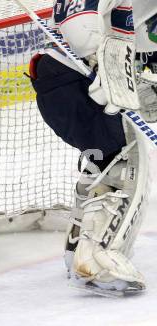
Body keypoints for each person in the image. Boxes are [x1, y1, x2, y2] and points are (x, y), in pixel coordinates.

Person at [28, 0, 157, 295]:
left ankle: (76, 250)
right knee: (123, 163)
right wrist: (102, 64)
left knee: (106, 160)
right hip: (74, 77)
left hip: (68, 79)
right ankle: (95, 260)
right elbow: (77, 23)